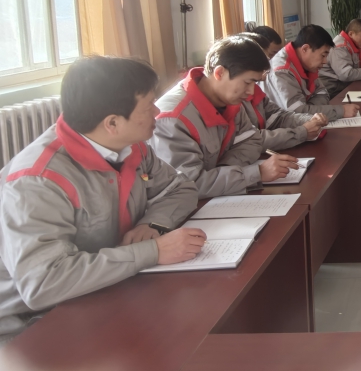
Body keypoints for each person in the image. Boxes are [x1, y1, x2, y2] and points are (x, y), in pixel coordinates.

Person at [0, 57, 204, 342]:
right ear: (112, 123)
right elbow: (44, 283)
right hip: (35, 325)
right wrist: (153, 251)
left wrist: (154, 224)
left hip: (106, 287)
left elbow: (181, 188)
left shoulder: (131, 148)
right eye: (149, 106)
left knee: (191, 319)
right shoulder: (37, 180)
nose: (158, 112)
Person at [153, 35, 301, 198]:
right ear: (219, 73)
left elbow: (252, 140)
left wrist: (225, 171)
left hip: (218, 197)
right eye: (247, 82)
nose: (251, 92)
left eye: (255, 83)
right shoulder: (173, 119)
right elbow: (187, 184)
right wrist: (256, 173)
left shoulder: (230, 100)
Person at [243, 31, 327, 150]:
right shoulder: (235, 98)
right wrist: (302, 132)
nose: (265, 74)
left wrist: (310, 119)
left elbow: (278, 116)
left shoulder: (255, 89)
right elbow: (252, 140)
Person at [264, 25, 361, 120]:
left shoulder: (307, 65)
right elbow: (297, 114)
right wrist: (341, 111)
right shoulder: (282, 71)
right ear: (305, 49)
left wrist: (309, 108)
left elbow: (322, 93)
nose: (325, 61)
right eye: (323, 55)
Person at [319, 18, 361, 96]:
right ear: (351, 34)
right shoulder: (340, 48)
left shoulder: (351, 44)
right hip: (333, 93)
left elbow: (359, 62)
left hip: (343, 87)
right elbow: (346, 74)